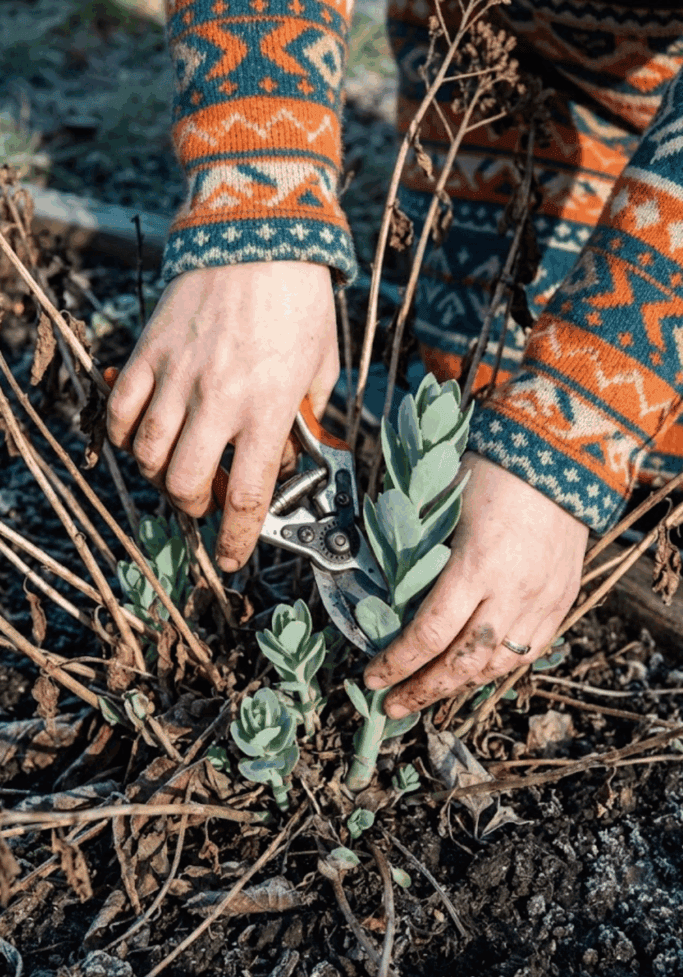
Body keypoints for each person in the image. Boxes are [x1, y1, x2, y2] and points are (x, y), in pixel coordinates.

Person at [106, 0, 683, 720]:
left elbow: (576, 426)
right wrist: (256, 200)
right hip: (489, 43)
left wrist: (577, 422)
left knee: (608, 476)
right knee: (460, 397)